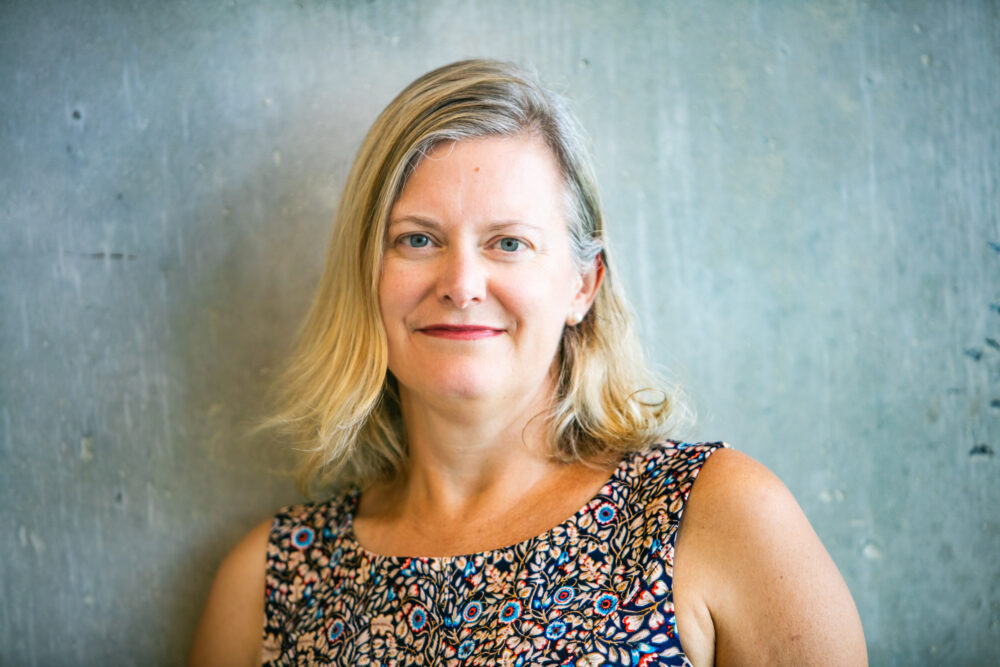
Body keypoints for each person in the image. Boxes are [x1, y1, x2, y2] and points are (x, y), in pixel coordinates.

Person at [189, 59, 867, 666]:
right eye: (417, 239)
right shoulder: (267, 583)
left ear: (582, 285)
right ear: (366, 277)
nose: (461, 283)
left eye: (509, 243)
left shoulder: (714, 516)